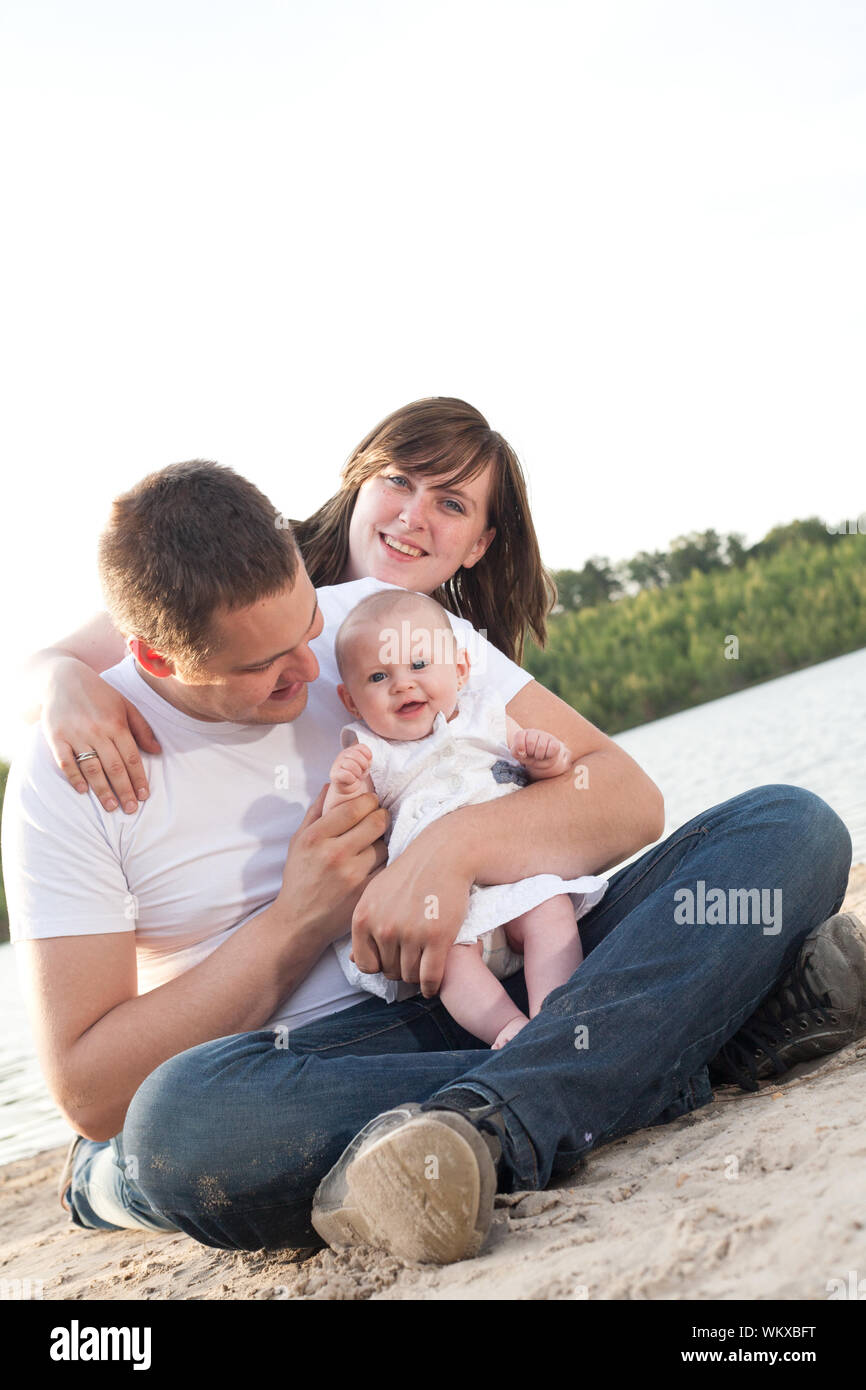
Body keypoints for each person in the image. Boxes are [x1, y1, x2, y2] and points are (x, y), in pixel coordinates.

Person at [4, 400, 861, 1266]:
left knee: (788, 828)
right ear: (155, 658)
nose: (311, 670)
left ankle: (504, 1119)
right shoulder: (76, 772)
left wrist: (449, 854)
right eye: (264, 669)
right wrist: (298, 919)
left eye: (306, 624)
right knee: (180, 1129)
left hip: (523, 987)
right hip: (327, 1066)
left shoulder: (383, 621)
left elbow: (627, 799)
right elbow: (91, 1090)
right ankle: (677, 1057)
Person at [324, 587, 608, 1047]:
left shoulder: (488, 716)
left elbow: (553, 776)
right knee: (448, 962)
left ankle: (555, 1015)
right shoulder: (371, 750)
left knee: (551, 911)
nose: (402, 684)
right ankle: (509, 1032)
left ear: (458, 669)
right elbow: (344, 831)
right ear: (352, 702)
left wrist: (546, 759)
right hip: (443, 913)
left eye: (419, 665)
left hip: (515, 882)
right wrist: (345, 788)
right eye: (378, 677)